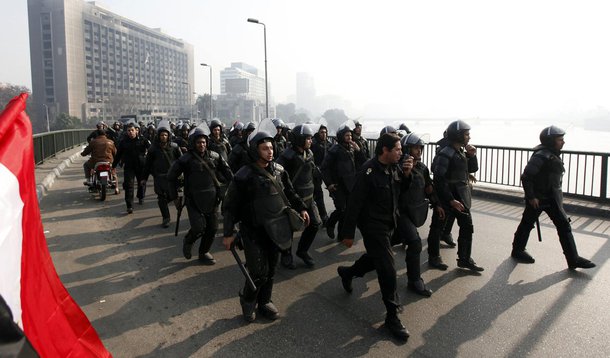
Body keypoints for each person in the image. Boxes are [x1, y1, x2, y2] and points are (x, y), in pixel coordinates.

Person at [222, 130, 309, 322]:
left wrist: (302, 208)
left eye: (271, 147)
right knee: (257, 271)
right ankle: (247, 300)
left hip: (276, 230)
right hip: (252, 231)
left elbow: (291, 193)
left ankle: (265, 302)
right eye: (264, 148)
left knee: (271, 269)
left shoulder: (279, 171)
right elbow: (229, 207)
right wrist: (228, 233)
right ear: (255, 150)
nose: (269, 152)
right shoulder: (243, 175)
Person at [336, 133, 411, 341]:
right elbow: (354, 203)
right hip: (372, 227)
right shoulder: (368, 171)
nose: (401, 152)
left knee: (375, 258)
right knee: (387, 268)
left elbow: (401, 192)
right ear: (384, 150)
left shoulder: (395, 167)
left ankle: (348, 272)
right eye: (397, 149)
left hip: (389, 224)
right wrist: (348, 233)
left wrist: (407, 174)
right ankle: (392, 316)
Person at [511, 126, 595, 269]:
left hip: (552, 199)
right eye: (560, 139)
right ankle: (518, 250)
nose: (563, 142)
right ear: (550, 141)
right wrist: (531, 197)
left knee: (564, 226)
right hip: (539, 199)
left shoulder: (551, 154)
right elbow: (526, 177)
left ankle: (573, 259)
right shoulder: (541, 156)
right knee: (527, 224)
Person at [167, 126, 233, 264]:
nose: (201, 145)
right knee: (198, 228)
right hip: (193, 199)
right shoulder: (185, 159)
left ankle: (203, 252)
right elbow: (171, 177)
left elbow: (228, 173)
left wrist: (235, 187)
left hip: (213, 198)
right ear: (193, 143)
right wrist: (174, 198)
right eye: (198, 142)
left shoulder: (215, 156)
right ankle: (188, 240)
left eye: (203, 142)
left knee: (213, 228)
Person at [430, 120, 483, 271]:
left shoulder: (459, 152)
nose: (469, 137)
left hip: (460, 197)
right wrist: (450, 200)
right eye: (466, 134)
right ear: (458, 135)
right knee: (437, 228)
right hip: (448, 198)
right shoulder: (445, 153)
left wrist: (472, 156)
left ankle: (465, 259)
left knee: (467, 227)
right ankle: (434, 257)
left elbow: (471, 169)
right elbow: (439, 179)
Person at [395, 132, 441, 297]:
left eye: (420, 148)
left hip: (414, 212)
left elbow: (428, 187)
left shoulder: (422, 167)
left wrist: (437, 204)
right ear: (407, 148)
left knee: (381, 251)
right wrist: (405, 174)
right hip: (400, 213)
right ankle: (414, 280)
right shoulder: (397, 167)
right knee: (415, 243)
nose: (419, 150)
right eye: (415, 147)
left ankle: (351, 271)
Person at [276, 124, 321, 269]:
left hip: (309, 198)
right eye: (307, 138)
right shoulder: (286, 157)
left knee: (315, 224)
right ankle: (286, 254)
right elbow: (279, 177)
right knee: (288, 228)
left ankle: (302, 250)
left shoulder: (310, 153)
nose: (310, 141)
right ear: (299, 139)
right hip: (292, 199)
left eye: (310, 138)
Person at [321, 123, 366, 239]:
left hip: (351, 185)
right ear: (341, 136)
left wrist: (359, 150)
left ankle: (341, 235)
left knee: (347, 211)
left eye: (350, 135)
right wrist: (329, 183)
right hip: (338, 185)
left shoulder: (352, 148)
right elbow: (324, 168)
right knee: (341, 209)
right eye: (347, 135)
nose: (350, 138)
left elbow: (364, 162)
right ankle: (330, 223)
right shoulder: (334, 150)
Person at [141, 122, 182, 228]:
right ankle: (166, 218)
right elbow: (147, 165)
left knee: (172, 196)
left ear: (168, 135)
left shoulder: (174, 147)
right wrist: (144, 178)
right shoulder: (153, 149)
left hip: (172, 177)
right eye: (161, 135)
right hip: (159, 177)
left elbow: (182, 161)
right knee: (161, 198)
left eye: (165, 135)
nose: (163, 137)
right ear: (158, 136)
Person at [113, 122, 149, 214]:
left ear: (136, 130)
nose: (130, 132)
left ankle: (141, 197)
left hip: (141, 166)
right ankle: (129, 206)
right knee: (129, 185)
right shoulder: (123, 142)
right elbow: (118, 155)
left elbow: (151, 150)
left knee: (141, 183)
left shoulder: (143, 140)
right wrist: (113, 166)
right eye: (128, 130)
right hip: (129, 167)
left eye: (132, 130)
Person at [311, 124, 332, 224]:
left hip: (326, 171)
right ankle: (323, 216)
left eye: (325, 132)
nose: (324, 134)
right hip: (316, 171)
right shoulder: (313, 144)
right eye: (321, 132)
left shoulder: (328, 143)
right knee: (318, 193)